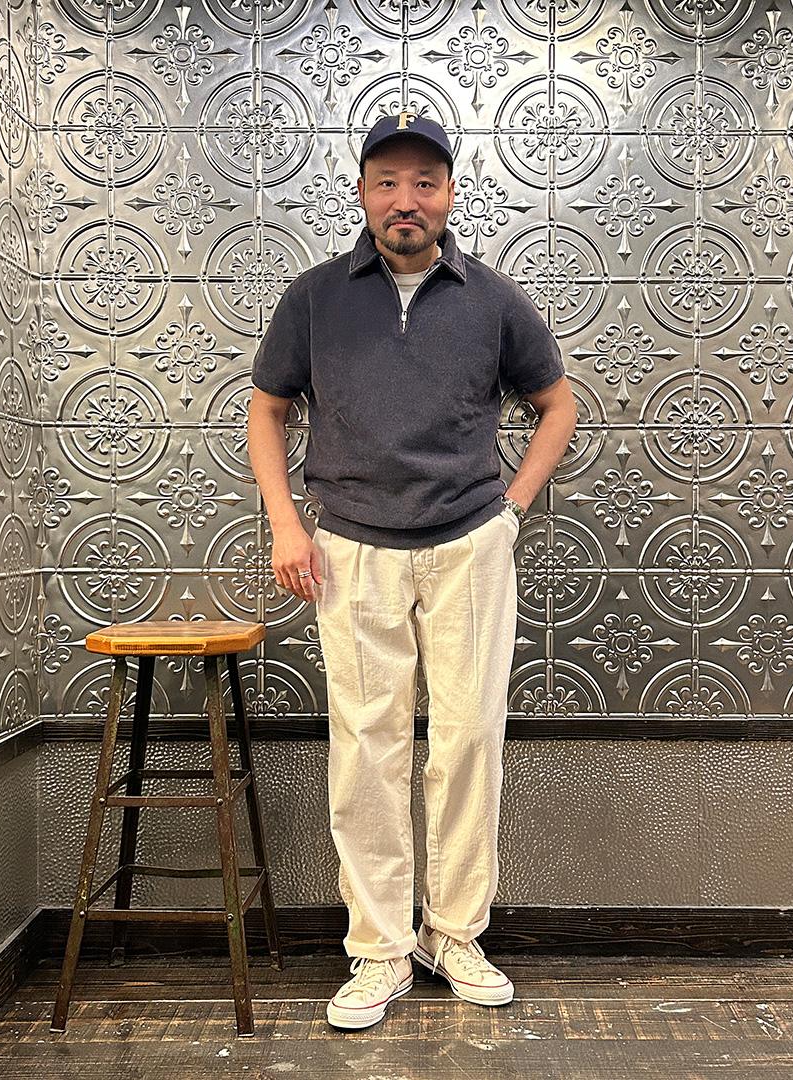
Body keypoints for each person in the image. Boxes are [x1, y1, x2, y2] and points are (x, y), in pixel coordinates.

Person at [246, 111, 577, 1031]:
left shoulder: (495, 299)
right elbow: (267, 409)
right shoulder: (316, 297)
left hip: (470, 544)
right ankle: (381, 948)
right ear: (361, 193)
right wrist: (286, 524)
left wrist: (512, 510)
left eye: (424, 184)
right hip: (350, 549)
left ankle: (454, 935)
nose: (406, 200)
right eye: (387, 182)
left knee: (468, 742)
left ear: (450, 195)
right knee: (367, 748)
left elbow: (557, 404)